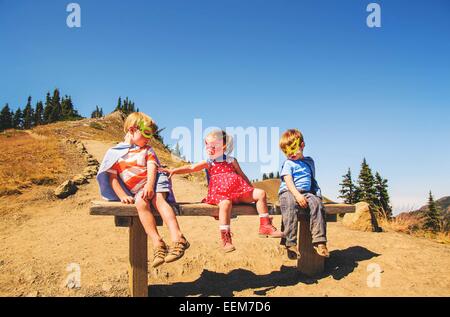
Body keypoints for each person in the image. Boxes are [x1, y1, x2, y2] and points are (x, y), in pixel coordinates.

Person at [161, 129, 283, 253]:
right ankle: (226, 238)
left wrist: (249, 189)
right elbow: (191, 167)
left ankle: (265, 225)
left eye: (213, 146)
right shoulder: (209, 162)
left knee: (260, 193)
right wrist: (174, 171)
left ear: (223, 147)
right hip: (220, 194)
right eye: (207, 145)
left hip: (239, 191)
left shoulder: (231, 160)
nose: (209, 148)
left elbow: (242, 175)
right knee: (225, 204)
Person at [96, 112, 189, 268]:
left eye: (151, 135)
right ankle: (158, 243)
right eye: (146, 133)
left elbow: (152, 167)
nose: (148, 138)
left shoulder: (148, 150)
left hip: (155, 179)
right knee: (140, 203)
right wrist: (123, 195)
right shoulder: (116, 154)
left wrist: (150, 185)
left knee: (158, 200)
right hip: (139, 190)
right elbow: (112, 178)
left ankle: (178, 237)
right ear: (132, 129)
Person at [278, 128, 329, 259]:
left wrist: (314, 194)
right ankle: (290, 243)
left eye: (293, 149)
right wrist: (297, 195)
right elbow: (288, 181)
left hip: (307, 192)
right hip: (289, 192)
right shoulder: (288, 163)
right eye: (286, 151)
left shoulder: (309, 162)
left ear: (302, 145)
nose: (290, 153)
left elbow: (311, 179)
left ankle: (320, 241)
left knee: (317, 204)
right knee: (290, 206)